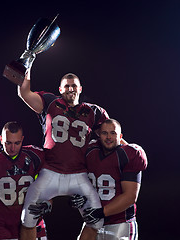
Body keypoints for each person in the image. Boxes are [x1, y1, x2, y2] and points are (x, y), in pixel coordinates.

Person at [17, 70, 109, 240]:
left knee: (96, 222)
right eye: (67, 86)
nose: (70, 89)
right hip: (50, 172)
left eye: (74, 85)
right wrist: (28, 65)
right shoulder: (50, 102)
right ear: (60, 89)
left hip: (79, 174)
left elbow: (111, 135)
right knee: (27, 218)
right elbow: (24, 92)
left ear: (80, 88)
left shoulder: (93, 111)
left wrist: (128, 148)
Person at [0, 121, 48, 240]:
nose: (12, 148)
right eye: (8, 143)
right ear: (1, 139)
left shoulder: (34, 157)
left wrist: (47, 202)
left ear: (22, 139)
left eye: (17, 143)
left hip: (33, 225)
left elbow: (47, 188)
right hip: (4, 229)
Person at [82, 118, 148, 239]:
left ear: (120, 136)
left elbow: (130, 197)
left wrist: (101, 212)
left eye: (113, 133)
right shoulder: (90, 150)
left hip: (120, 223)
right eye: (104, 133)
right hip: (93, 221)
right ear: (98, 135)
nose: (108, 137)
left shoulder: (128, 154)